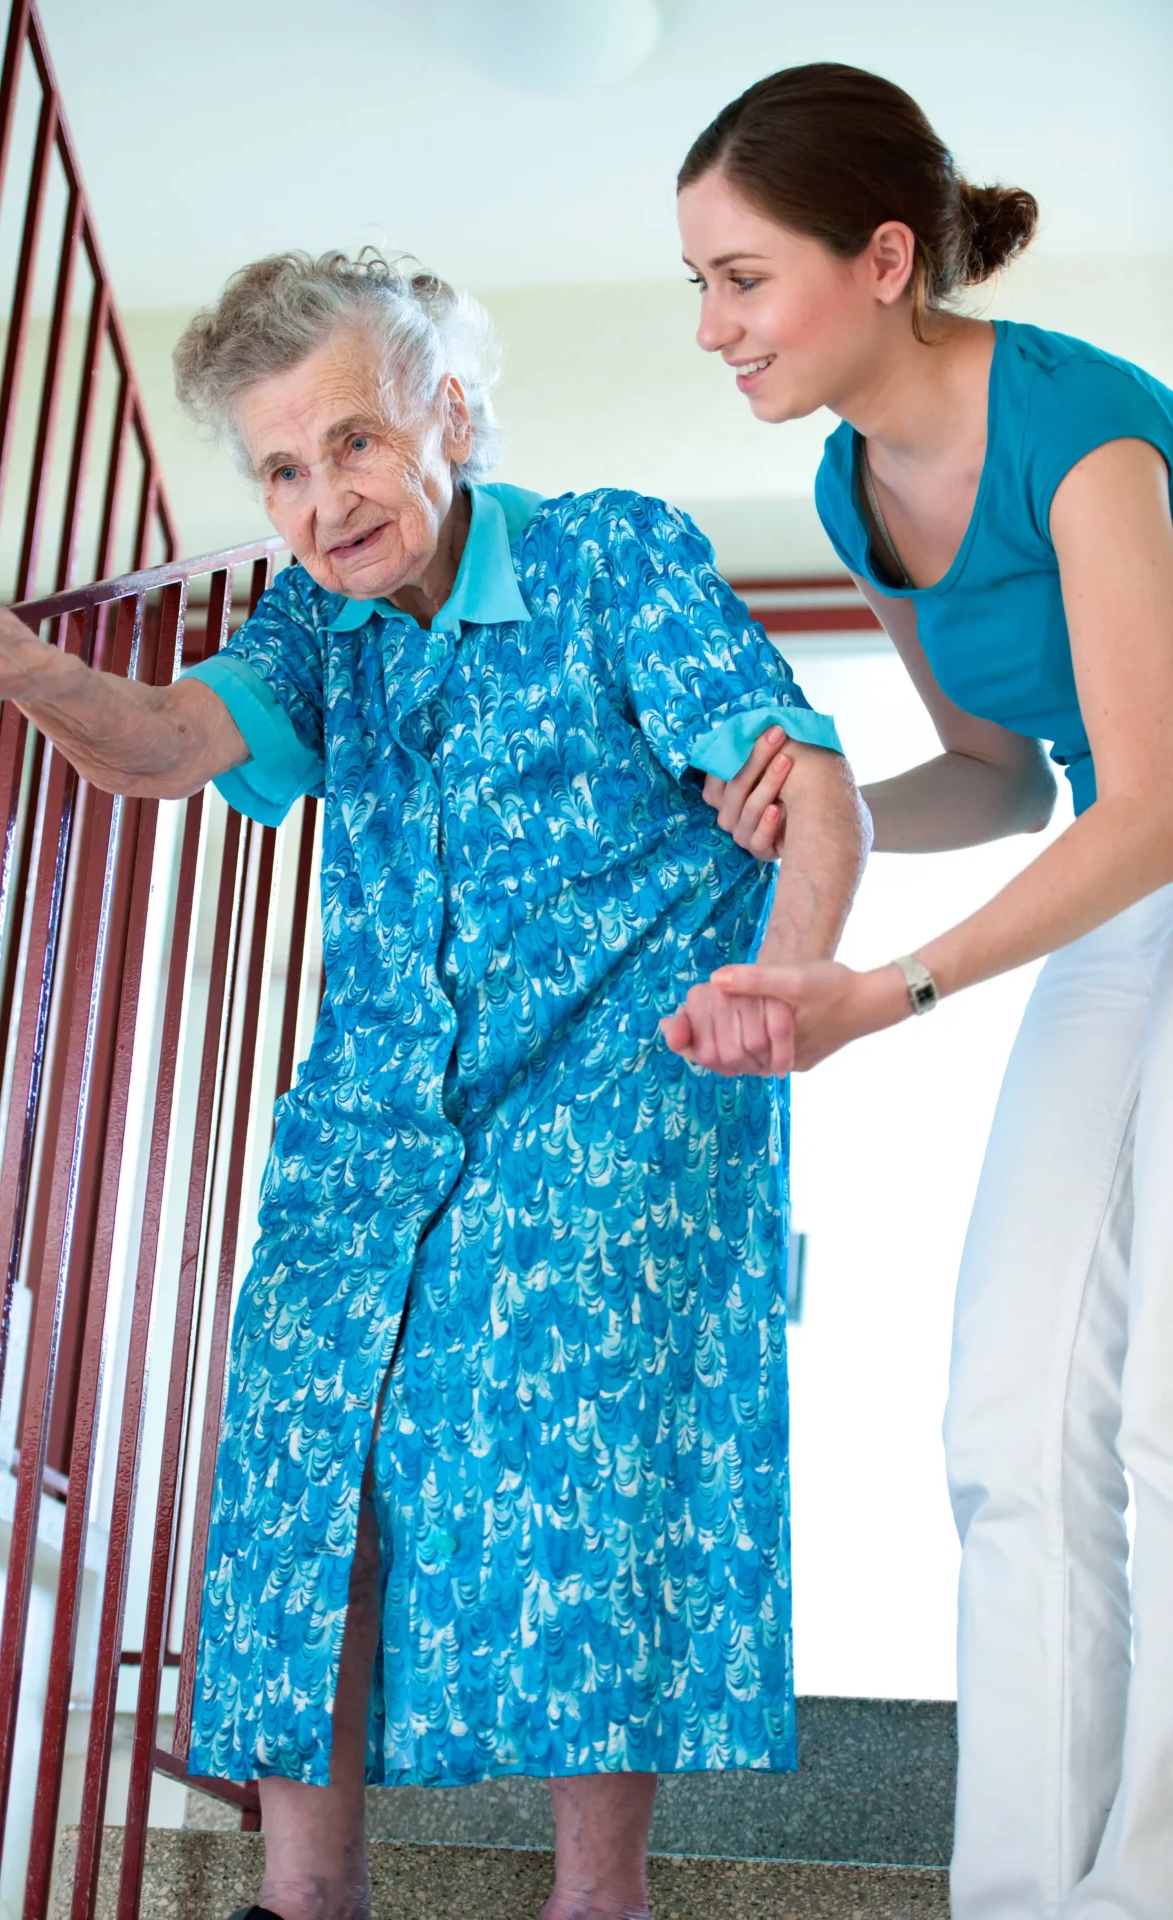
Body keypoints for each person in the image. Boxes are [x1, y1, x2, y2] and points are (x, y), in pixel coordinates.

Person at [0, 250, 866, 1920]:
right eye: (282, 467)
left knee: (576, 1489)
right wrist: (34, 674)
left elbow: (803, 782)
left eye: (355, 442)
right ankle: (304, 1900)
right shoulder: (317, 625)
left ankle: (596, 1899)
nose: (324, 498)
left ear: (451, 415)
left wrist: (804, 974)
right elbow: (172, 744)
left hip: (604, 1108)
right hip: (370, 1128)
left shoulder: (606, 556)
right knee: (298, 1482)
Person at [667, 61, 1173, 1920]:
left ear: (884, 258)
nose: (713, 327)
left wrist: (894, 988)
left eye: (742, 279)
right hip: (1133, 875)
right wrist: (803, 806)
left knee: (1159, 1421)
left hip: (1168, 846)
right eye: (698, 287)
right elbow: (1003, 779)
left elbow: (1158, 796)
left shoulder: (1085, 425)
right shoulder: (852, 476)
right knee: (1004, 1422)